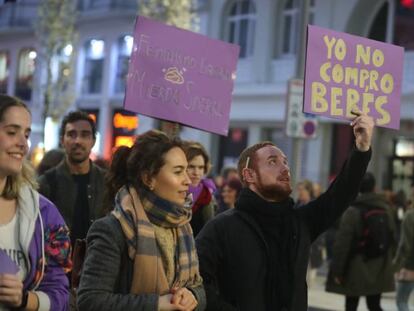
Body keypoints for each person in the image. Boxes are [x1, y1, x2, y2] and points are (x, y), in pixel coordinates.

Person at [196, 111, 374, 311]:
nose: (285, 168)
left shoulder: (300, 221)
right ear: (249, 175)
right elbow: (197, 285)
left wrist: (361, 149)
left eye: (285, 162)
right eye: (273, 162)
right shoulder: (221, 228)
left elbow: (340, 194)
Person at [77, 130, 206, 311]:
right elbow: (90, 301)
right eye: (178, 172)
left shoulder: (182, 224)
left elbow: (198, 286)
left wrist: (192, 296)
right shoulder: (113, 229)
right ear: (148, 178)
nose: (187, 180)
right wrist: (156, 304)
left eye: (187, 170)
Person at [0, 94, 71, 310]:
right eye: (12, 132)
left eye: (27, 134)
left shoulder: (45, 213)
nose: (23, 143)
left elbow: (61, 294)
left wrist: (24, 299)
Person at [326, 172, 396, 311]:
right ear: (375, 188)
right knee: (375, 305)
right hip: (380, 265)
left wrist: (337, 271)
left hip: (355, 266)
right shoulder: (386, 209)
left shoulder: (352, 211)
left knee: (351, 305)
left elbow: (342, 244)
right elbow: (392, 238)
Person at [38, 111, 106, 246]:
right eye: (71, 134)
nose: (78, 141)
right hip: (57, 264)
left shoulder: (107, 182)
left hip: (98, 263)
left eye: (85, 135)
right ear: (62, 140)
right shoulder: (45, 184)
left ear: (93, 141)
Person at [183, 141, 216, 237]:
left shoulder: (207, 194)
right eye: (191, 167)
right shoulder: (172, 193)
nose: (196, 172)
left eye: (201, 167)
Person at [394, 208, 414, 311]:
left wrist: (397, 264)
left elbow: (405, 244)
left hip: (410, 265)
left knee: (401, 301)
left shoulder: (410, 216)